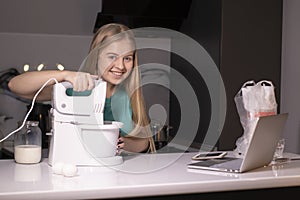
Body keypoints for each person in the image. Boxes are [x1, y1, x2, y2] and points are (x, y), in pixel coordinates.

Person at [8, 23, 156, 153]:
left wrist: (123, 143)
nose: (120, 66)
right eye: (112, 57)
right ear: (96, 56)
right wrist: (65, 75)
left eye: (127, 58)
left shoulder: (129, 94)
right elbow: (15, 85)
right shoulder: (76, 88)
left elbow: (143, 142)